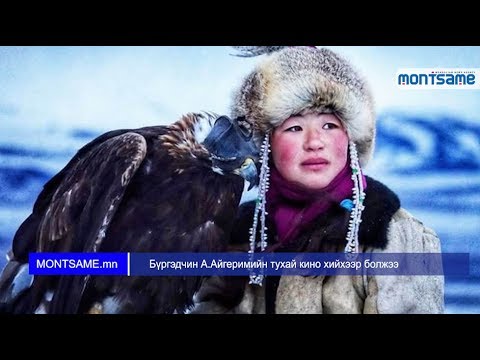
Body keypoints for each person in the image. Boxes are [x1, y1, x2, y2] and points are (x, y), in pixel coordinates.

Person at [191, 46, 444, 314]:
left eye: (329, 125)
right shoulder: (237, 233)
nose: (314, 143)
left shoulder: (392, 235)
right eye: (295, 128)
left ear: (350, 139)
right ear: (265, 143)